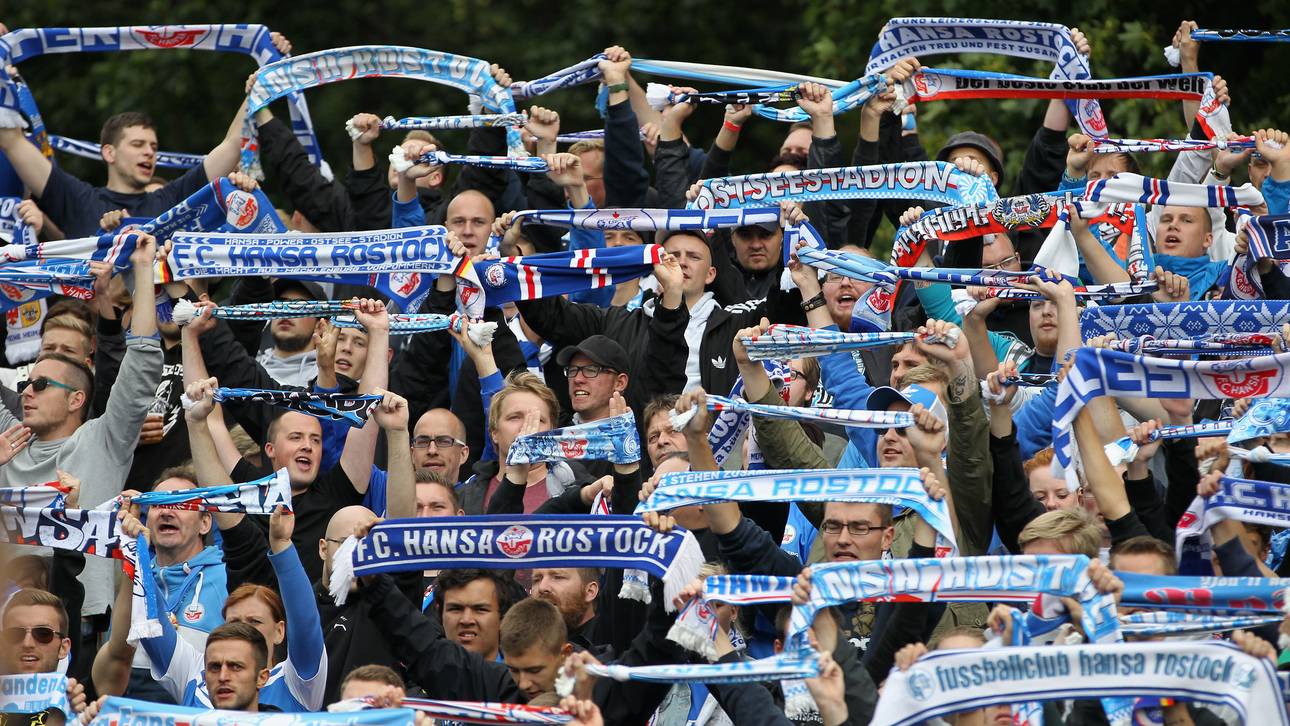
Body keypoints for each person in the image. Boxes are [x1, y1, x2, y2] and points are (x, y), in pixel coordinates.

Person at [0, 233, 162, 623]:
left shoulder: (103, 439)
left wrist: (142, 270)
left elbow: (141, 361)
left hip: (82, 618)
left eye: (41, 385)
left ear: (76, 399)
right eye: (25, 385)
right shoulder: (9, 440)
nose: (27, 394)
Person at [0, 102, 248, 238]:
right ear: (109, 153)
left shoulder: (172, 199)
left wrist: (262, 81)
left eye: (153, 146)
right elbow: (12, 141)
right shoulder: (79, 200)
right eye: (138, 145)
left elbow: (232, 145)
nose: (150, 152)